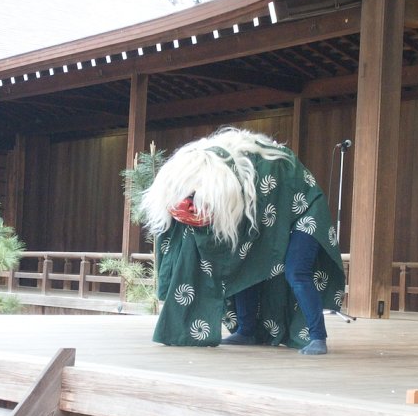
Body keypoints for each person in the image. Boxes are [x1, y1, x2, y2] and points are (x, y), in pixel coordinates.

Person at [140, 127, 345, 354]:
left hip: (305, 210)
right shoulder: (233, 179)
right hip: (270, 211)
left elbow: (276, 198)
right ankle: (247, 330)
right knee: (245, 261)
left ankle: (318, 336)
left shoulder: (257, 172)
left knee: (296, 271)